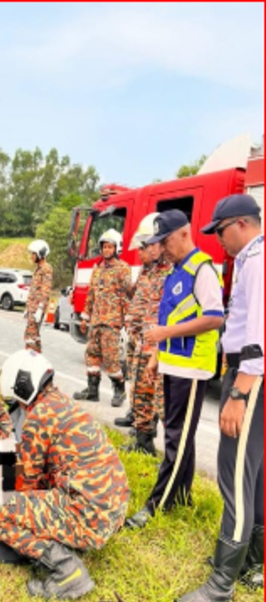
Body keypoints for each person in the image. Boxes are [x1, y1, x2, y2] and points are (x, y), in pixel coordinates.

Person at [176, 194, 263, 602]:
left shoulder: (258, 259)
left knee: (235, 477)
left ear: (241, 224)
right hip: (253, 378)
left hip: (252, 379)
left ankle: (221, 587)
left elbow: (259, 332)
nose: (219, 242)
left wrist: (240, 392)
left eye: (221, 232)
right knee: (255, 475)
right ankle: (254, 564)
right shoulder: (251, 258)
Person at [0, 350, 129, 599]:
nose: (19, 407)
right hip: (112, 509)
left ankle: (66, 570)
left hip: (89, 517)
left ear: (24, 388)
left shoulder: (38, 418)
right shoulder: (61, 403)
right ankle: (69, 541)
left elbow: (24, 485)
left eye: (17, 400)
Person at [126, 210, 225, 529]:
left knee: (175, 438)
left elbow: (214, 317)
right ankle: (181, 496)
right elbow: (173, 318)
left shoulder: (202, 269)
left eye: (165, 241)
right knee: (182, 437)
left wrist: (163, 336)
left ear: (184, 233)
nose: (162, 248)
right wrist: (157, 357)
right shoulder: (175, 271)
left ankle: (156, 505)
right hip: (175, 365)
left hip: (193, 368)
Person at [115, 214, 173, 456]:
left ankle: (172, 456)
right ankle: (143, 441)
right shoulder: (147, 272)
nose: (141, 252)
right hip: (139, 342)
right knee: (139, 392)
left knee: (160, 399)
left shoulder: (170, 272)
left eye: (145, 246)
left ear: (159, 245)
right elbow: (138, 299)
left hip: (158, 345)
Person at [73, 229, 133, 407]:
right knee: (91, 354)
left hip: (111, 322)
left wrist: (128, 320)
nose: (106, 250)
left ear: (116, 248)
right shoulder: (97, 269)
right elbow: (91, 294)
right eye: (104, 247)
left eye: (110, 247)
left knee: (111, 358)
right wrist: (85, 317)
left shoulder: (123, 269)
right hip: (96, 320)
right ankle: (92, 391)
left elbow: (127, 296)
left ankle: (119, 391)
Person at [23, 240, 53, 353]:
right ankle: (37, 355)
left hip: (37, 307)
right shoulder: (38, 269)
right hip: (33, 306)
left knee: (30, 335)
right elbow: (34, 289)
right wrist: (28, 307)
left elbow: (46, 289)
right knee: (34, 335)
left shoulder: (46, 268)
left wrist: (40, 308)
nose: (32, 256)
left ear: (41, 254)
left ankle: (30, 358)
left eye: (34, 254)